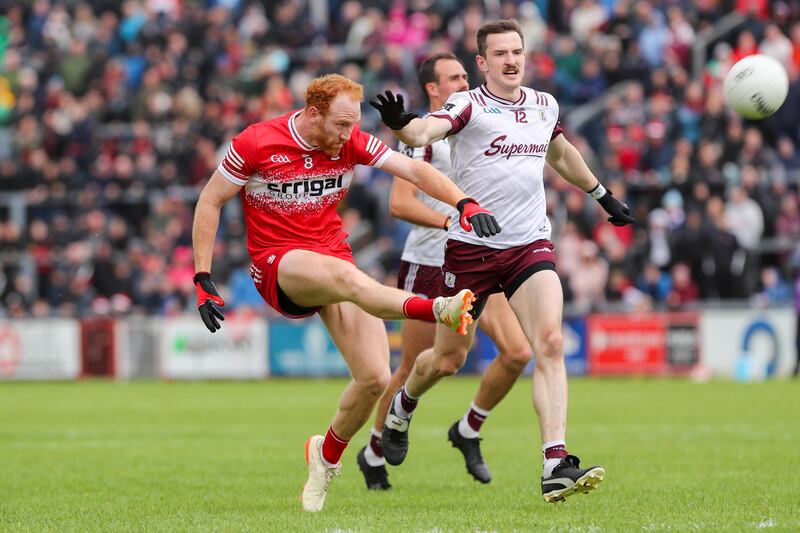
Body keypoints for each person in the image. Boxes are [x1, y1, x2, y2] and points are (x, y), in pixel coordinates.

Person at [191, 74, 501, 512]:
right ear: (313, 114)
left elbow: (413, 169)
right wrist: (202, 276)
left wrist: (464, 203)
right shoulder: (256, 142)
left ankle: (326, 457)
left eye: (352, 124)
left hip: (332, 258)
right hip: (278, 263)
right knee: (351, 280)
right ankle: (439, 309)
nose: (346, 134)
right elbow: (210, 200)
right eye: (340, 124)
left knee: (375, 378)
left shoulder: (350, 139)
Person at [370, 19, 635, 502]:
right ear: (482, 62)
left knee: (549, 342)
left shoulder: (543, 104)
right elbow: (425, 130)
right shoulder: (467, 104)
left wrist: (602, 194)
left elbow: (560, 154)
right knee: (447, 359)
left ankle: (555, 463)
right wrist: (400, 124)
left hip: (528, 246)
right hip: (471, 251)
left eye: (517, 51)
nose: (511, 60)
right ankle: (403, 406)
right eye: (500, 54)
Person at [356, 52, 532, 491]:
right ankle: (374, 450)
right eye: (453, 78)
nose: (463, 83)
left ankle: (468, 429)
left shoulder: (481, 121)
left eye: (465, 76)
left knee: (517, 353)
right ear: (432, 89)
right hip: (431, 264)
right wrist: (456, 218)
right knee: (420, 365)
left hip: (480, 258)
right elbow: (400, 204)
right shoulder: (420, 137)